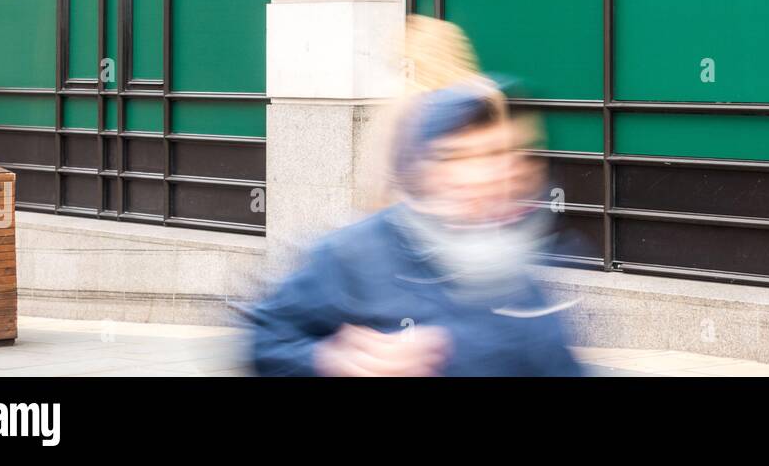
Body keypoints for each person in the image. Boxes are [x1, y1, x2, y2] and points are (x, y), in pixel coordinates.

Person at [246, 79, 583, 377]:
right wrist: (331, 360)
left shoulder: (520, 268)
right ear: (422, 169)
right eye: (459, 157)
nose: (486, 172)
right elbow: (268, 340)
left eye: (498, 153)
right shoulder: (354, 253)